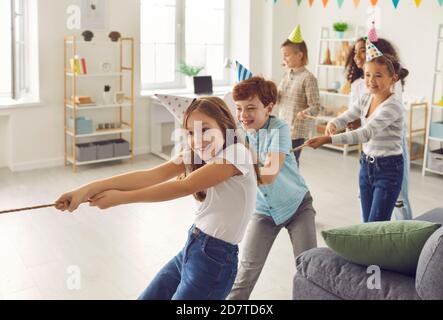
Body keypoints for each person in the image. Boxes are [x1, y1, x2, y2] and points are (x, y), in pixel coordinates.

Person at [55, 96, 259, 300]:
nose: (197, 140)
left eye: (204, 129)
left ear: (224, 125)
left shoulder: (237, 153)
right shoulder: (199, 154)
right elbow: (152, 175)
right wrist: (86, 190)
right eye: (190, 133)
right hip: (194, 246)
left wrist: (120, 198)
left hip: (215, 261)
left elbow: (184, 186)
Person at [227, 77, 317, 300]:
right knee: (245, 274)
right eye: (238, 108)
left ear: (268, 108)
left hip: (298, 206)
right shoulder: (236, 133)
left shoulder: (280, 128)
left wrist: (232, 173)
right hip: (263, 211)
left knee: (308, 268)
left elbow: (269, 174)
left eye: (250, 108)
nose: (243, 115)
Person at [305, 47, 408, 223]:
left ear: (393, 78)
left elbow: (366, 134)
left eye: (378, 75)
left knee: (374, 226)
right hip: (366, 165)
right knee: (366, 222)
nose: (371, 80)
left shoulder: (393, 107)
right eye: (367, 75)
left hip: (388, 169)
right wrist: (334, 123)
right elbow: (349, 114)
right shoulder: (366, 98)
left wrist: (328, 139)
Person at [345, 26, 412, 221]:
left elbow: (386, 108)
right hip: (369, 148)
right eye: (355, 51)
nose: (357, 55)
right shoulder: (358, 83)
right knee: (367, 197)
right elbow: (355, 111)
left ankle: (406, 231)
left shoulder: (391, 81)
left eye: (362, 50)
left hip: (391, 144)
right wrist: (351, 121)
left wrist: (333, 136)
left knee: (400, 199)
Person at [277, 25, 322, 165]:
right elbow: (279, 98)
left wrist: (304, 112)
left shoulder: (308, 78)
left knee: (291, 164)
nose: (284, 58)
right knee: (280, 164)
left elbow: (316, 107)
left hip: (296, 131)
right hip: (282, 126)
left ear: (299, 55)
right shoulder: (286, 75)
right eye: (283, 55)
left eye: (287, 55)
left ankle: (295, 187)